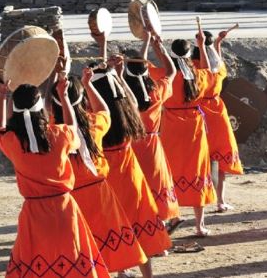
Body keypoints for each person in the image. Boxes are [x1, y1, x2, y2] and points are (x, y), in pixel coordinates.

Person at [0, 79, 109, 278]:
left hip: (34, 213)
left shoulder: (12, 141)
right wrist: (64, 97)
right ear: (40, 108)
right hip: (64, 209)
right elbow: (73, 128)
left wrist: (3, 95)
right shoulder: (59, 134)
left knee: (36, 265)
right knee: (73, 263)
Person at [50, 69, 149, 277]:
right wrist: (88, 83)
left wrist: (58, 94)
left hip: (72, 197)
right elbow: (104, 110)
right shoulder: (94, 125)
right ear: (82, 100)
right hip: (100, 192)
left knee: (82, 246)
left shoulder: (53, 134)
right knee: (116, 237)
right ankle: (127, 271)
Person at [93, 57, 173, 259]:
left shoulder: (94, 117)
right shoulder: (128, 112)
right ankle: (153, 249)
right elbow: (134, 102)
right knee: (140, 210)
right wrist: (119, 76)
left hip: (107, 173)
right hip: (130, 168)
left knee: (115, 217)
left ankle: (122, 265)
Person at [159, 34, 217, 236]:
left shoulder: (164, 74)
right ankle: (200, 226)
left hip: (171, 127)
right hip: (194, 127)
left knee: (169, 171)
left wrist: (155, 43)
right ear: (189, 53)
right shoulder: (197, 74)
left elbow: (143, 69)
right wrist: (201, 46)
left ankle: (171, 217)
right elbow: (210, 71)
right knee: (197, 170)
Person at [127, 35, 182, 231]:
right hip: (152, 146)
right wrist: (157, 46)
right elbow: (172, 71)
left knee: (138, 190)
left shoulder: (124, 96)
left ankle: (143, 232)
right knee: (157, 187)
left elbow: (132, 74)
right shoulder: (157, 91)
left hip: (131, 148)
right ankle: (161, 232)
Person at [192, 30, 244, 213]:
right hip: (217, 114)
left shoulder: (193, 68)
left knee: (201, 160)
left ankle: (202, 203)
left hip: (198, 114)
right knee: (219, 160)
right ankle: (220, 201)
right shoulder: (219, 69)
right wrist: (217, 44)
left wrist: (208, 45)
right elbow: (216, 62)